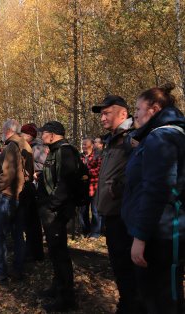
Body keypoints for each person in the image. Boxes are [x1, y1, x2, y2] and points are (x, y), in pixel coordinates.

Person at [122, 84, 185, 313]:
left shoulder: (162, 137)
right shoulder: (159, 136)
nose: (135, 114)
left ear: (154, 109)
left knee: (163, 299)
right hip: (158, 232)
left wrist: (140, 237)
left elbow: (157, 190)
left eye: (138, 108)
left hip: (161, 236)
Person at [92, 95, 139, 313]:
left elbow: (141, 170)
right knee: (120, 268)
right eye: (101, 113)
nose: (102, 117)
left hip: (124, 216)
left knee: (129, 271)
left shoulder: (132, 137)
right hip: (111, 214)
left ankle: (131, 306)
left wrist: (118, 188)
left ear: (122, 113)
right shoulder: (113, 138)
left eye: (106, 112)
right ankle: (127, 304)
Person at [36, 121, 78, 312]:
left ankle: (67, 298)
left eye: (43, 133)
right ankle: (57, 287)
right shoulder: (54, 151)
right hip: (51, 210)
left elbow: (66, 183)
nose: (40, 136)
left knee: (60, 254)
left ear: (52, 134)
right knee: (54, 252)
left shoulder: (65, 151)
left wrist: (52, 206)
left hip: (57, 212)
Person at [0, 119, 34, 283]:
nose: (1, 131)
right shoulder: (25, 145)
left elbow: (7, 174)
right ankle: (17, 270)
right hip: (21, 195)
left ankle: (1, 273)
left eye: (2, 129)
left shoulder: (11, 147)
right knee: (18, 233)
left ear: (7, 130)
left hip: (7, 195)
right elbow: (29, 171)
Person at [20, 123, 45, 262]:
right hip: (33, 188)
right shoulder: (32, 146)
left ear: (29, 135)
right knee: (31, 222)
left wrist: (36, 173)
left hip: (35, 188)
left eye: (23, 134)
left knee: (32, 223)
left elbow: (43, 165)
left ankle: (34, 252)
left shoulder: (36, 147)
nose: (21, 136)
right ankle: (35, 252)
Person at [78, 138, 102, 238]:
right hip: (82, 188)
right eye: (82, 144)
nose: (83, 146)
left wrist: (87, 173)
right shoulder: (80, 156)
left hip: (94, 186)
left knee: (95, 211)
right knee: (82, 211)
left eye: (85, 144)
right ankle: (85, 230)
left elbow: (99, 169)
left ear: (92, 146)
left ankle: (95, 232)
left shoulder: (98, 156)